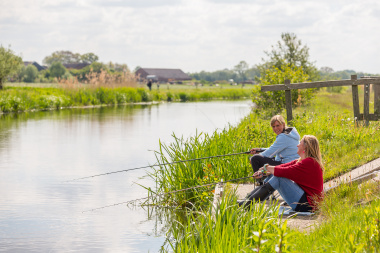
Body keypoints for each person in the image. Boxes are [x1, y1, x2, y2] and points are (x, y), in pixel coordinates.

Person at [239, 135, 324, 212]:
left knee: (279, 178)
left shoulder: (309, 162)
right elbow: (283, 167)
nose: (297, 145)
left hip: (308, 205)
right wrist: (264, 172)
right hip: (305, 200)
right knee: (275, 175)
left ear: (306, 147)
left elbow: (285, 171)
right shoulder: (302, 161)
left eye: (300, 143)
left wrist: (266, 168)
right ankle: (247, 200)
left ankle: (247, 203)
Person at [249, 115, 300, 185]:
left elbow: (270, 153)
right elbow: (276, 149)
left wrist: (253, 158)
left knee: (255, 158)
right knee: (259, 157)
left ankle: (260, 182)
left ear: (283, 124)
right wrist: (259, 150)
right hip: (292, 162)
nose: (276, 128)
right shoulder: (289, 134)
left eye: (278, 125)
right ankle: (265, 179)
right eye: (273, 126)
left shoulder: (283, 137)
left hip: (287, 164)